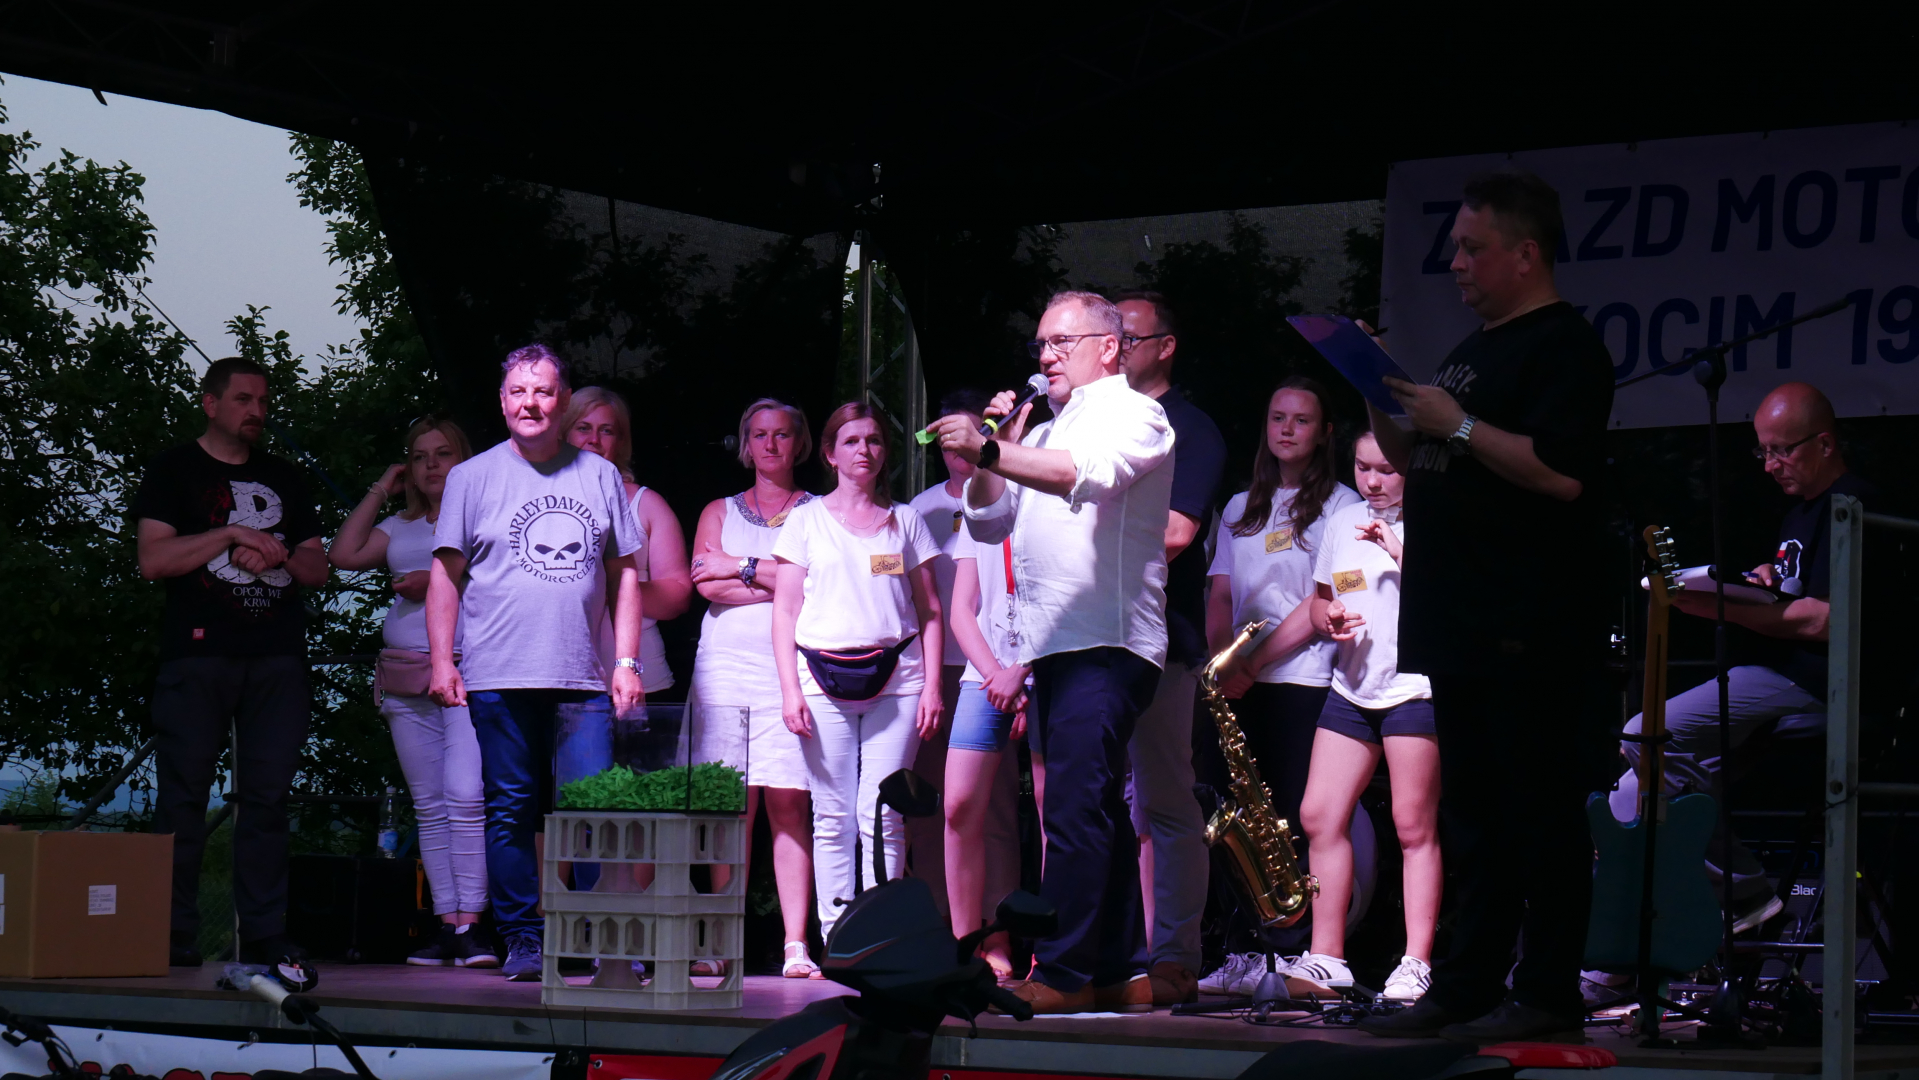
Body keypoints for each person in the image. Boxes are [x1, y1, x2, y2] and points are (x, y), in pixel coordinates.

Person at [1356, 172, 1615, 1042]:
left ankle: (1545, 995)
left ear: (1525, 253)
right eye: (1455, 248)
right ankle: (1464, 988)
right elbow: (1413, 448)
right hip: (1460, 623)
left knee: (1535, 815)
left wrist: (1459, 424)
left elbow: (1562, 474)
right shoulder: (1473, 348)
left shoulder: (1563, 346)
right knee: (1471, 819)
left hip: (1526, 626)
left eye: (1473, 248)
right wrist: (1373, 388)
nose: (1457, 264)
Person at [927, 290, 1175, 1015]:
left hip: (1106, 638)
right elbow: (987, 522)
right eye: (1040, 344)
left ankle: (1064, 973)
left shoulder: (1134, 413)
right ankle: (1122, 969)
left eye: (1061, 342)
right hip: (1057, 645)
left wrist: (994, 449)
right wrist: (992, 452)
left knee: (1070, 809)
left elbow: (1087, 476)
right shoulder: (1047, 427)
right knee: (1091, 806)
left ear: (1109, 346)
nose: (1046, 356)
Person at [1605, 381, 1870, 932]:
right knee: (1631, 795)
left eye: (1781, 450)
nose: (1770, 465)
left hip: (1811, 682)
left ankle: (1744, 893)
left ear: (1824, 443)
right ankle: (1652, 951)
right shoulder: (1799, 513)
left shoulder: (1852, 504)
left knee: (1642, 733)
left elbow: (1825, 619)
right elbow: (1799, 593)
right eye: (1762, 451)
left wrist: (1718, 606)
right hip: (1778, 677)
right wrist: (1766, 581)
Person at [428, 344, 646, 982]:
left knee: (596, 810)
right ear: (502, 402)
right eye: (519, 392)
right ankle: (524, 938)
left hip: (581, 675)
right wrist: (443, 660)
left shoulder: (599, 475)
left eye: (544, 392)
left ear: (563, 401)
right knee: (510, 809)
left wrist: (626, 660)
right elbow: (444, 576)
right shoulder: (471, 478)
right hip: (498, 674)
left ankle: (605, 936)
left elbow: (626, 575)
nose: (531, 403)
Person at [133, 356, 328, 969]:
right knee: (183, 795)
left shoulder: (284, 477)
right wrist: (230, 535)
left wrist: (276, 554)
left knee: (267, 800)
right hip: (198, 654)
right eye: (244, 400)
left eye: (263, 402)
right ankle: (171, 932)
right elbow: (153, 560)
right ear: (211, 403)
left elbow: (317, 568)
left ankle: (264, 933)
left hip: (276, 657)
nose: (256, 412)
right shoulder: (174, 469)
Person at [1196, 378, 1361, 996]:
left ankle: (1292, 952)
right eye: (1277, 417)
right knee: (1234, 821)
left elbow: (1321, 602)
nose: (1287, 429)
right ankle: (1241, 950)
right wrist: (1225, 664)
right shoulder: (1240, 506)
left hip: (1302, 681)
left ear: (1324, 433)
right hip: (1237, 687)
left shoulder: (1342, 505)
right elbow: (1219, 594)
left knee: (1287, 820)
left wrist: (1252, 662)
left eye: (1302, 420)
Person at [326, 415, 496, 967]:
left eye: (441, 453)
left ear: (463, 459)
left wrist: (441, 580)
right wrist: (383, 485)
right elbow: (342, 554)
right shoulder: (401, 526)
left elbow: (507, 576)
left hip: (467, 669)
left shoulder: (485, 515)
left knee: (465, 795)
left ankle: (473, 924)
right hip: (404, 677)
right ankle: (445, 923)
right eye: (419, 456)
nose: (430, 465)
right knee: (429, 805)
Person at [771, 403, 944, 939]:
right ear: (829, 454)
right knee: (832, 815)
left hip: (898, 680)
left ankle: (882, 936)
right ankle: (839, 935)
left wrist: (932, 687)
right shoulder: (805, 521)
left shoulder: (906, 521)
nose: (863, 450)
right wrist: (789, 691)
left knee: (884, 812)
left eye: (873, 440)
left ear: (884, 452)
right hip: (821, 678)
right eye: (850, 441)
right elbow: (784, 611)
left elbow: (930, 610)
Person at [1287, 430, 1439, 1002]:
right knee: (1319, 814)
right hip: (1351, 687)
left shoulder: (1432, 520)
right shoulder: (1342, 519)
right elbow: (1320, 598)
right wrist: (1327, 617)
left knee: (1412, 825)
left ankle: (1416, 963)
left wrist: (1398, 548)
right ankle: (1327, 958)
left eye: (1386, 470)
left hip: (1412, 688)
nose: (1372, 482)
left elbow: (1453, 595)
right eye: (1362, 467)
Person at [1112, 291, 1228, 1006]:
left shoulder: (1192, 428)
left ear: (1166, 346)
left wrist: (1086, 552)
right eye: (1111, 335)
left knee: (1163, 799)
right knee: (1092, 801)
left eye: (1130, 336)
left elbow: (1179, 533)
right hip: (1090, 638)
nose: (1118, 347)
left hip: (1158, 640)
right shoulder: (1092, 424)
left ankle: (1176, 955)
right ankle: (1103, 950)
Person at [686, 398, 821, 978]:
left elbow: (817, 585)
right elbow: (704, 584)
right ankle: (722, 940)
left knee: (790, 801)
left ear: (800, 444)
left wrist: (736, 565)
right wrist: (778, 577)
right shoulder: (718, 510)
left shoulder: (817, 512)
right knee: (729, 805)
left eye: (782, 434)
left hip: (791, 668)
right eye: (760, 435)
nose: (771, 444)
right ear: (745, 445)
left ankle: (795, 944)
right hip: (724, 668)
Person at [904, 390, 996, 916]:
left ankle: (997, 930)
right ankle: (939, 922)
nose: (956, 447)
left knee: (993, 809)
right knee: (934, 805)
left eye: (966, 434)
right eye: (945, 438)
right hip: (934, 672)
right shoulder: (923, 508)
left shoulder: (1012, 498)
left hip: (993, 673)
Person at [942, 445, 1028, 983]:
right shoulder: (979, 503)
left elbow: (1068, 599)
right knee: (958, 806)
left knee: (1052, 811)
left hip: (1045, 665)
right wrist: (996, 673)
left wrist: (1021, 670)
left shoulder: (1052, 500)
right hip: (986, 673)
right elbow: (961, 611)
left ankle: (1050, 951)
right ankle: (965, 943)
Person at [566, 386, 694, 696]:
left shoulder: (645, 504)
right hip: (560, 675)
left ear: (621, 441)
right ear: (563, 432)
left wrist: (610, 590)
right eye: (583, 428)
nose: (594, 439)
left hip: (641, 678)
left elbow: (678, 596)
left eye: (606, 430)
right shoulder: (539, 500)